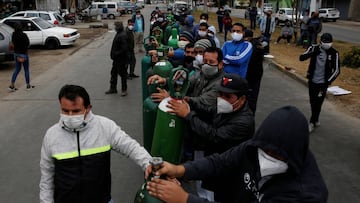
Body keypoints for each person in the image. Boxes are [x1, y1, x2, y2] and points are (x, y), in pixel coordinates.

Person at [145, 106, 329, 203]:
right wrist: (179, 170)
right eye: (265, 150)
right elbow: (220, 163)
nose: (267, 157)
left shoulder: (305, 194)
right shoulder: (256, 146)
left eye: (276, 155)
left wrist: (185, 199)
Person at [39, 84, 152, 203]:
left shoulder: (105, 127)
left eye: (76, 111)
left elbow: (131, 147)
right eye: (65, 111)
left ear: (88, 108)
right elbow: (47, 177)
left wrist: (148, 163)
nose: (70, 116)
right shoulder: (51, 135)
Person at [165, 73, 255, 201]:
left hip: (227, 174)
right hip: (213, 162)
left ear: (242, 99)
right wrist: (189, 101)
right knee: (203, 191)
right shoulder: (228, 108)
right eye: (220, 94)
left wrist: (188, 115)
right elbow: (208, 110)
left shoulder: (243, 122)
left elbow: (214, 135)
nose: (222, 99)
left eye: (228, 96)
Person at [299, 33, 340, 133]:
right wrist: (313, 53)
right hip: (312, 81)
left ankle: (312, 122)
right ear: (320, 41)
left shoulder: (334, 53)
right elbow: (301, 57)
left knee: (318, 102)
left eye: (329, 42)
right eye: (325, 42)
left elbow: (337, 70)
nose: (327, 44)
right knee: (313, 101)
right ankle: (316, 118)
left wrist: (328, 81)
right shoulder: (314, 48)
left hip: (323, 84)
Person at [244, 29, 265, 115]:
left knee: (250, 98)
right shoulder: (256, 45)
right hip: (255, 76)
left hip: (252, 76)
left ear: (248, 37)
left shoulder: (252, 47)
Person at [105, 21, 129, 96]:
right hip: (116, 60)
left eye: (115, 26)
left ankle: (124, 90)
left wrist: (116, 53)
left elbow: (124, 48)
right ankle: (113, 88)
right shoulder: (119, 33)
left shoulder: (122, 35)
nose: (114, 28)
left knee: (123, 75)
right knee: (113, 73)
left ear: (118, 27)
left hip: (121, 60)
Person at [8, 22, 33, 92]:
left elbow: (12, 43)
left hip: (16, 54)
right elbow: (28, 44)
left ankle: (12, 85)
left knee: (17, 70)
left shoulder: (13, 35)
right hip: (24, 54)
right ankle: (28, 85)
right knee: (26, 70)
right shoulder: (24, 35)